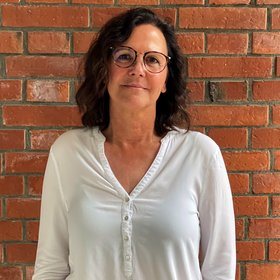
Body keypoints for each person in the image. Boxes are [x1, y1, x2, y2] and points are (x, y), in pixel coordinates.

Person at [32, 7, 236, 280]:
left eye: (152, 60)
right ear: (105, 70)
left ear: (166, 80)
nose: (137, 69)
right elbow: (50, 268)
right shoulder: (68, 153)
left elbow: (219, 271)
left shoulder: (200, 155)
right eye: (124, 56)